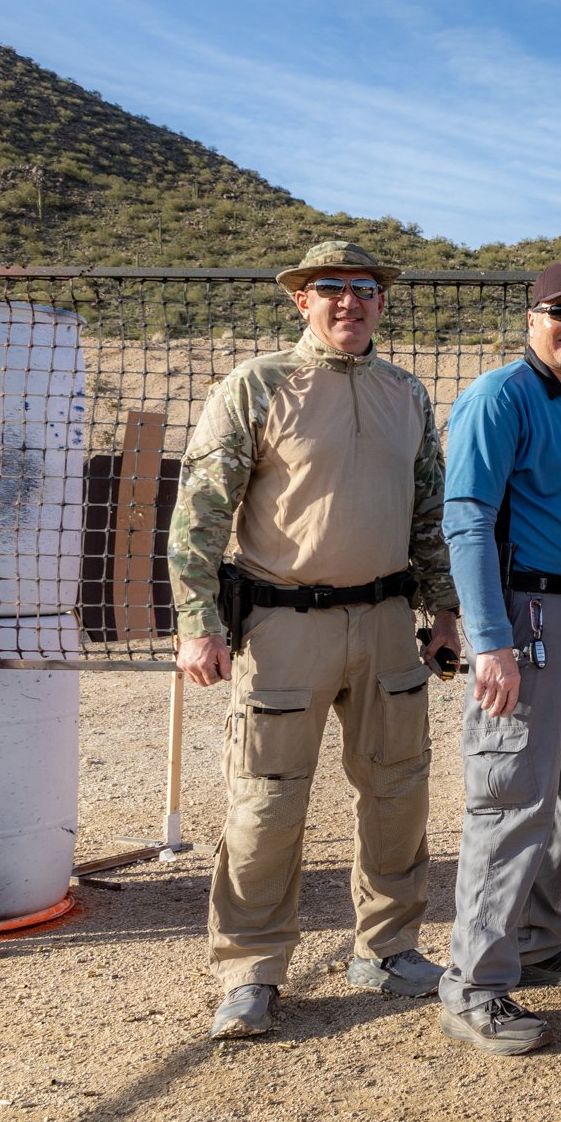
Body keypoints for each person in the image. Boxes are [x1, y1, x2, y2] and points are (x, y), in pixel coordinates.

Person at [169, 239, 461, 1040]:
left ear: (380, 301)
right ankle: (251, 970)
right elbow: (199, 513)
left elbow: (428, 517)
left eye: (363, 288)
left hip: (384, 625)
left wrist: (444, 614)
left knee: (399, 794)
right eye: (329, 287)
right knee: (264, 803)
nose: (348, 301)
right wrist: (199, 624)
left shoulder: (407, 392)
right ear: (302, 300)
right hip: (281, 624)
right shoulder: (259, 385)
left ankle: (390, 948)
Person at [434, 260, 561, 1056]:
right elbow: (467, 521)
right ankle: (474, 984)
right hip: (530, 613)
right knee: (512, 794)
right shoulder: (499, 397)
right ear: (532, 318)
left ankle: (537, 938)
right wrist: (491, 641)